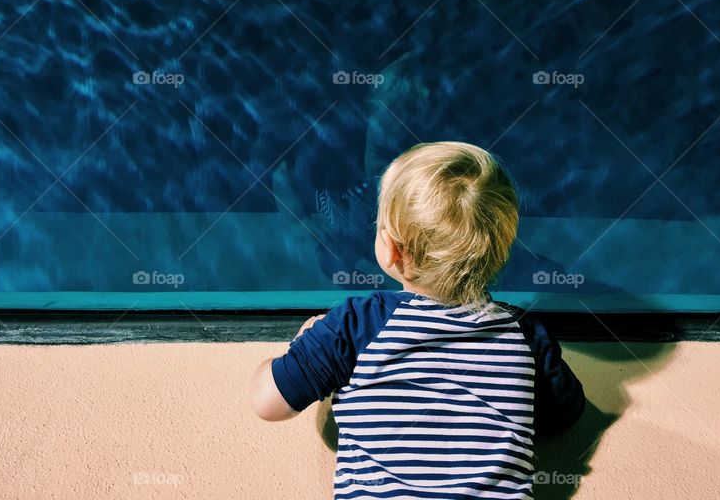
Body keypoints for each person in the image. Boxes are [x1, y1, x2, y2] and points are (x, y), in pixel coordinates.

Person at [250, 141, 585, 499]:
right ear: (501, 251)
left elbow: (268, 403)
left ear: (391, 249)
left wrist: (305, 342)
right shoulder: (526, 335)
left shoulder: (357, 323)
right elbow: (565, 413)